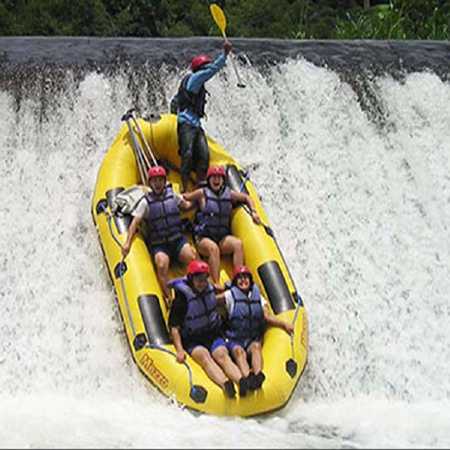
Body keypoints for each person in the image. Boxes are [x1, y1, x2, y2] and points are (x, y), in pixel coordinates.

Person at [168, 260, 249, 398]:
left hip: (212, 334)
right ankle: (225, 384)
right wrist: (180, 350)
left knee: (222, 355)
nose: (202, 283)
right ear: (191, 279)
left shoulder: (209, 289)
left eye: (204, 280)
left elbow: (220, 296)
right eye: (198, 280)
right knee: (205, 357)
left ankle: (241, 381)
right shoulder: (181, 300)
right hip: (193, 339)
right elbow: (174, 327)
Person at [121, 166, 196, 305]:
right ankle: (169, 298)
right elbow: (135, 223)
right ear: (150, 183)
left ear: (164, 181)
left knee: (191, 257)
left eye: (160, 180)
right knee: (161, 264)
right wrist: (127, 242)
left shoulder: (173, 195)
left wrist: (199, 200)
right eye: (154, 181)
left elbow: (185, 206)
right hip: (160, 245)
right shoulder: (145, 203)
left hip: (177, 240)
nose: (157, 183)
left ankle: (196, 289)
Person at [182, 165, 261, 290]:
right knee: (213, 249)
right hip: (203, 238)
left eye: (219, 177)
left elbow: (246, 197)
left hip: (222, 237)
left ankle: (238, 277)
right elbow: (186, 198)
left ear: (223, 180)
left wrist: (254, 212)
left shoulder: (229, 194)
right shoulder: (202, 193)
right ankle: (216, 283)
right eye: (214, 177)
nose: (216, 180)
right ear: (209, 180)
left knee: (237, 244)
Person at [170, 41, 233, 193]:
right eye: (205, 68)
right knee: (188, 154)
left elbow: (174, 101)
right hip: (186, 124)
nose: (206, 72)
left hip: (196, 125)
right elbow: (212, 70)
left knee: (204, 156)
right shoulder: (195, 79)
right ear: (200, 69)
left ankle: (201, 185)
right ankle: (185, 188)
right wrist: (224, 54)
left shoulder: (194, 83)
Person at [220, 266, 295, 390]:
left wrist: (283, 324)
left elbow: (267, 316)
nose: (243, 281)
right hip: (234, 339)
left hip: (250, 338)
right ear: (235, 282)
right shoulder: (229, 295)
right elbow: (213, 301)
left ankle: (258, 375)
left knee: (256, 347)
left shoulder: (258, 297)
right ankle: (247, 377)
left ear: (250, 281)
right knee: (240, 352)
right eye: (239, 279)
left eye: (245, 278)